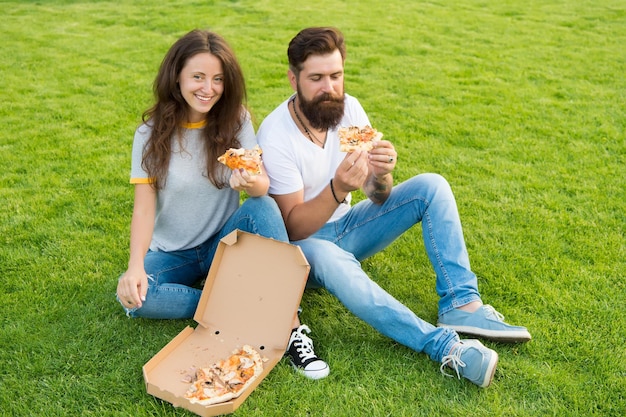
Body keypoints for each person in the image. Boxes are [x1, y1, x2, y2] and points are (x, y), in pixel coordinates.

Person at [256, 27, 531, 388]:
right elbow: (291, 228)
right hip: (305, 249)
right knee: (332, 256)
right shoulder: (275, 133)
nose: (330, 88)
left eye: (336, 76)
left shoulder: (348, 108)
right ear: (293, 78)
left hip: (348, 226)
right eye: (317, 78)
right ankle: (443, 346)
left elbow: (379, 196)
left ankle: (462, 306)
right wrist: (339, 188)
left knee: (431, 185)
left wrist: (381, 175)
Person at [115, 29, 329, 380]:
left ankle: (289, 327)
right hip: (174, 252)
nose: (207, 88)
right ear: (177, 76)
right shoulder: (149, 134)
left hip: (224, 245)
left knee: (264, 208)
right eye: (197, 77)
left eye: (217, 79)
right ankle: (235, 305)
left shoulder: (237, 120)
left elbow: (261, 186)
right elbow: (144, 208)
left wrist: (249, 181)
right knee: (138, 300)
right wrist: (135, 266)